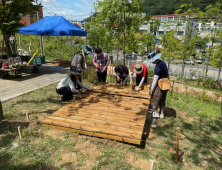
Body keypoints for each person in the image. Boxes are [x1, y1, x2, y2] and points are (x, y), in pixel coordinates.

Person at [146, 52, 169, 118]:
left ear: (154, 59)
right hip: (166, 83)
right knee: (163, 98)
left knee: (155, 97)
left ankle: (155, 112)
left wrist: (152, 89)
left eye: (151, 61)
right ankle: (162, 113)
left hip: (161, 84)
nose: (151, 62)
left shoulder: (157, 67)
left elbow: (155, 80)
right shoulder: (163, 63)